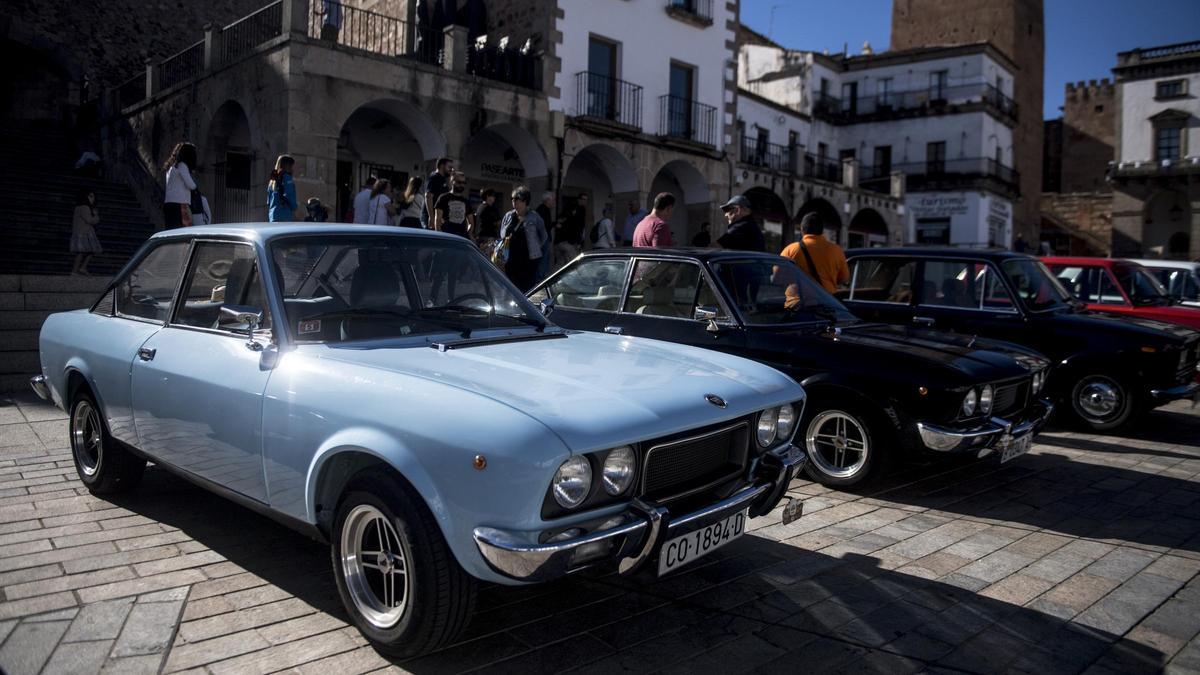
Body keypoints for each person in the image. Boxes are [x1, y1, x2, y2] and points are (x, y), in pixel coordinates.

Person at [781, 212, 850, 294]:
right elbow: (844, 278)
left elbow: (777, 277)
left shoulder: (790, 249)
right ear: (822, 230)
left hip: (799, 302)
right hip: (827, 301)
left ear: (802, 229)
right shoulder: (836, 250)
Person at [498, 186, 548, 292]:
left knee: (525, 289)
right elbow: (502, 232)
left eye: (517, 199)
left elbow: (544, 236)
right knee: (509, 288)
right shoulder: (508, 215)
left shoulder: (534, 217)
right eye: (512, 199)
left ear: (525, 201)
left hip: (528, 260)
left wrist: (535, 247)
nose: (514, 202)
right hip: (510, 259)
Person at [162, 141, 198, 229]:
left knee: (170, 230)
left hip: (169, 203)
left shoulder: (171, 166)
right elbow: (191, 185)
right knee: (182, 231)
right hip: (179, 204)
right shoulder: (182, 166)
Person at [70, 189, 101, 275]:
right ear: (85, 196)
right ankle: (75, 270)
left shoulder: (78, 207)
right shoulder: (85, 207)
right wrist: (96, 215)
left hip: (82, 232)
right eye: (90, 196)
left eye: (93, 196)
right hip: (84, 233)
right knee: (82, 252)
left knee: (89, 251)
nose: (93, 198)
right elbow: (90, 220)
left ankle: (81, 268)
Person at [432, 172, 472, 238]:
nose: (461, 185)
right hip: (447, 235)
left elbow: (471, 222)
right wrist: (439, 235)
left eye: (464, 183)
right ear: (452, 182)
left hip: (461, 237)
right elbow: (437, 219)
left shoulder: (466, 201)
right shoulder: (443, 198)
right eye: (459, 182)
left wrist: (468, 234)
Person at [554, 193, 587, 266]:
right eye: (583, 199)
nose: (585, 202)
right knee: (573, 265)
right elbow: (578, 227)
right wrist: (579, 242)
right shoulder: (580, 210)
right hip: (569, 242)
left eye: (586, 200)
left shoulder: (568, 209)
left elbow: (560, 222)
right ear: (579, 200)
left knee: (559, 266)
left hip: (559, 241)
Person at [423, 157, 453, 228]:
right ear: (442, 166)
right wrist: (431, 217)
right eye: (449, 167)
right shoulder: (434, 178)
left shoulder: (443, 180)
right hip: (432, 218)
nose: (451, 169)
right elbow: (428, 196)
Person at [267, 154, 297, 222]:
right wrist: (294, 207)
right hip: (284, 215)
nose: (293, 169)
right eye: (291, 166)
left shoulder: (272, 181)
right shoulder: (287, 178)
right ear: (288, 166)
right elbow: (289, 195)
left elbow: (268, 201)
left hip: (273, 216)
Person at [535, 191, 556, 280]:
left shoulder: (541, 209)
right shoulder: (543, 209)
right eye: (553, 200)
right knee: (543, 262)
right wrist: (555, 224)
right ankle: (540, 280)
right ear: (548, 200)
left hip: (541, 239)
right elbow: (545, 225)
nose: (554, 202)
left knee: (543, 261)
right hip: (543, 239)